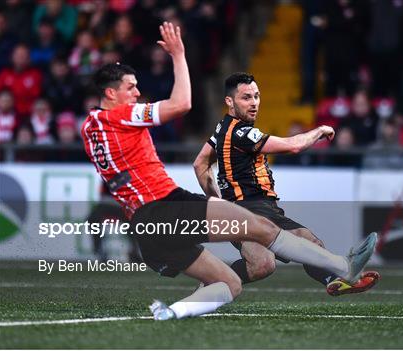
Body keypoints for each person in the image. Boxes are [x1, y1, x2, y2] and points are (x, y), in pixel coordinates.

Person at [81, 22, 377, 321]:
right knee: (266, 230)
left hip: (146, 228)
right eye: (130, 87)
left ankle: (170, 312)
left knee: (230, 284)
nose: (137, 92)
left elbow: (195, 162)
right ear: (110, 93)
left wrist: (214, 201)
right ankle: (343, 267)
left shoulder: (88, 128)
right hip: (166, 204)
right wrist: (179, 54)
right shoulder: (120, 116)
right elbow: (182, 104)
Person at [194, 72, 380, 297]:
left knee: (291, 251)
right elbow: (292, 146)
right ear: (229, 102)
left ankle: (336, 280)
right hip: (247, 209)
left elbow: (200, 163)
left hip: (258, 208)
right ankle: (213, 281)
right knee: (280, 255)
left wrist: (217, 202)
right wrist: (320, 130)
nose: (254, 103)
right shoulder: (240, 132)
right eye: (246, 98)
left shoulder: (223, 127)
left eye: (256, 96)